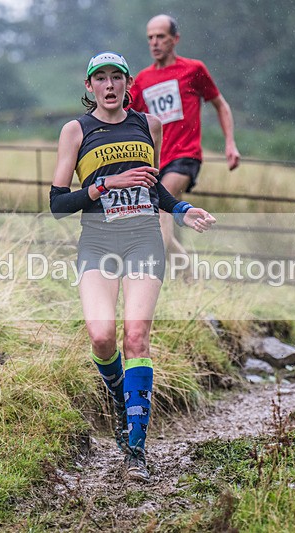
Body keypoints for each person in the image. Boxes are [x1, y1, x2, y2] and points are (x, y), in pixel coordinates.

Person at [49, 51, 216, 481]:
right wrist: (105, 184)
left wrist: (182, 208)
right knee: (103, 336)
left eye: (116, 77)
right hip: (98, 241)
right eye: (99, 78)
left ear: (127, 84)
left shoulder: (148, 125)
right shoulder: (76, 130)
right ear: (89, 87)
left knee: (136, 335)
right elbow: (57, 204)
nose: (108, 85)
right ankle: (122, 400)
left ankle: (135, 451)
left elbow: (153, 188)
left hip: (143, 238)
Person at [129, 14, 239, 264]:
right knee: (164, 213)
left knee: (160, 203)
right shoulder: (142, 79)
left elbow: (220, 105)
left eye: (161, 37)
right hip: (156, 160)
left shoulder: (193, 70)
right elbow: (127, 118)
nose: (155, 43)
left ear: (175, 39)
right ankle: (187, 273)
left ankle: (150, 266)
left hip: (185, 156)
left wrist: (230, 143)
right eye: (150, 38)